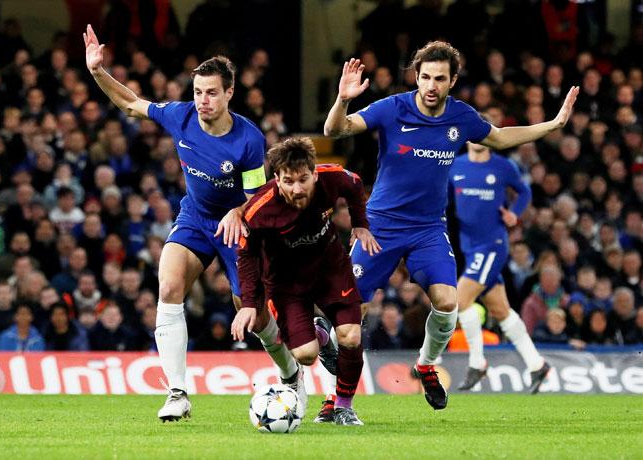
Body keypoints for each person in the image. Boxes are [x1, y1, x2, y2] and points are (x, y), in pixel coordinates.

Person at [323, 41, 578, 410]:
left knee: (447, 302)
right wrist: (343, 99)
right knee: (350, 318)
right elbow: (336, 131)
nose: (430, 85)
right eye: (424, 76)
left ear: (452, 80)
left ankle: (426, 366)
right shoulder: (393, 108)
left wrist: (554, 124)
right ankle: (336, 396)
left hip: (427, 228)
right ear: (416, 76)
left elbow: (501, 137)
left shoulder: (461, 117)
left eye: (439, 79)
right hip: (381, 225)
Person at [84, 25, 294, 422]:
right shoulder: (180, 117)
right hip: (196, 218)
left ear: (230, 92)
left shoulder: (249, 140)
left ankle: (289, 372)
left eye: (211, 92)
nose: (202, 100)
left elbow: (257, 200)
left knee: (253, 314)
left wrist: (239, 213)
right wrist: (98, 72)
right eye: (198, 92)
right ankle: (178, 392)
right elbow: (132, 104)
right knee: (168, 285)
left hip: (240, 226)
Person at [231, 137, 380, 425]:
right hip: (287, 285)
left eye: (303, 179)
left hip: (330, 269)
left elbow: (356, 184)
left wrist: (360, 223)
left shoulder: (332, 177)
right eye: (288, 181)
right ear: (276, 179)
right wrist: (250, 303)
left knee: (351, 335)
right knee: (306, 355)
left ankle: (343, 406)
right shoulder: (260, 209)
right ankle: (320, 337)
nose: (297, 189)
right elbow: (246, 255)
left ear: (314, 173)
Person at [449, 140, 550, 393]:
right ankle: (537, 364)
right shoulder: (455, 165)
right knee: (501, 311)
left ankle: (477, 362)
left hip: (491, 245)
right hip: (469, 247)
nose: (478, 139)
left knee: (458, 302)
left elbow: (524, 191)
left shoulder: (503, 166)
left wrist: (514, 213)